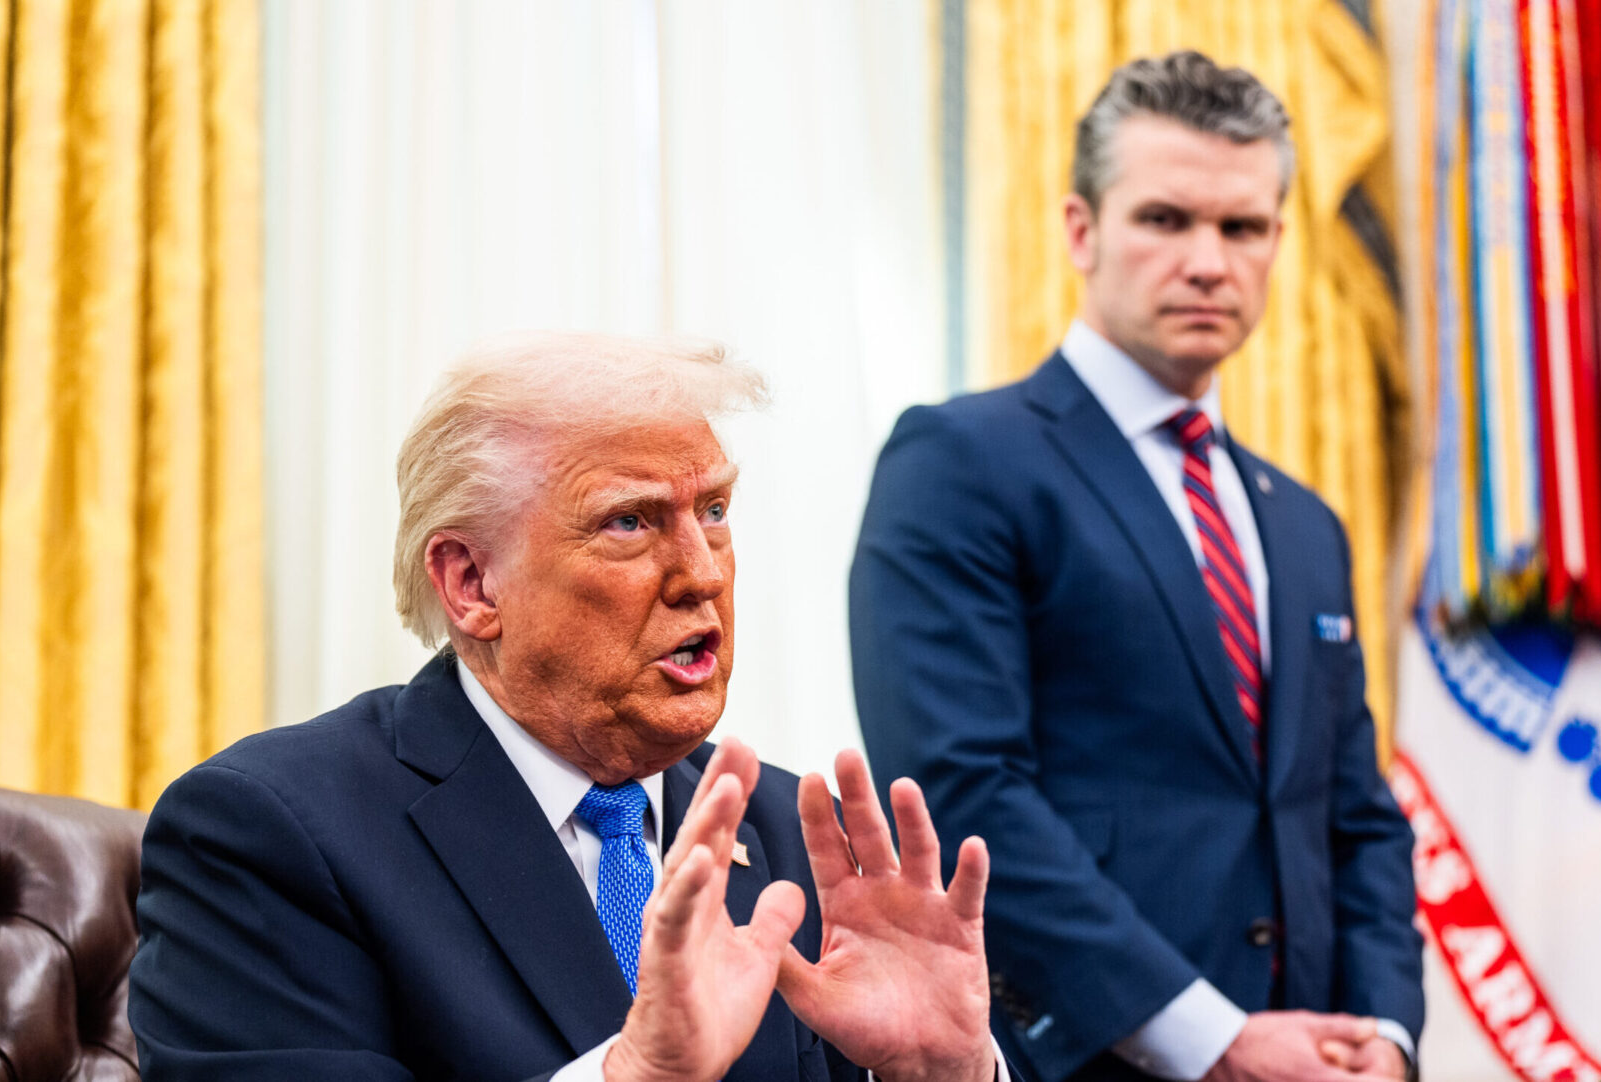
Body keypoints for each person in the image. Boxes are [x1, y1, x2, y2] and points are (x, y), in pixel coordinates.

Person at [129, 332, 1005, 1082]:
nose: (703, 572)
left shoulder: (804, 842)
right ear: (472, 583)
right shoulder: (271, 834)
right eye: (631, 522)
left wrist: (949, 1071)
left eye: (713, 509)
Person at [849, 52, 1424, 1082]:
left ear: (1278, 240)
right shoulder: (959, 461)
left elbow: (1355, 814)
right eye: (1165, 218)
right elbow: (966, 790)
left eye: (1242, 227)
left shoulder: (1307, 525)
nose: (1208, 261)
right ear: (1082, 230)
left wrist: (1384, 1033)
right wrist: (1213, 1040)